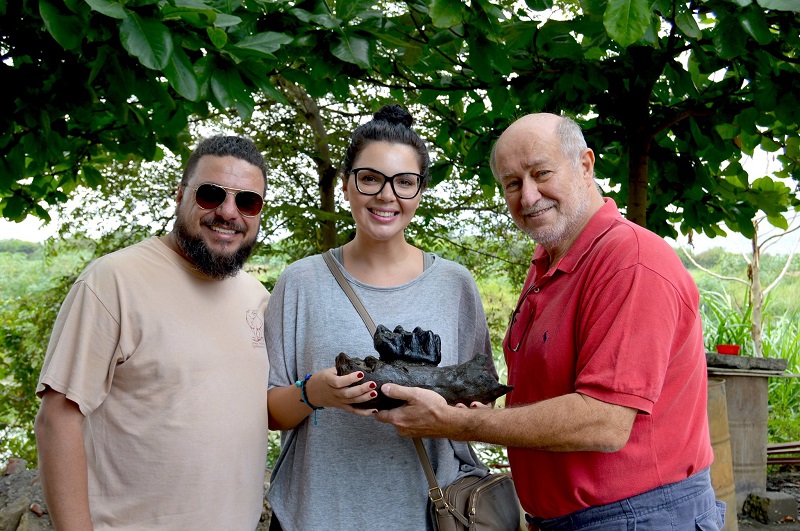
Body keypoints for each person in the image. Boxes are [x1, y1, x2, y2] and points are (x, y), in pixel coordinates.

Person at [375, 113, 726, 530]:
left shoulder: (630, 261)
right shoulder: (547, 261)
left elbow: (604, 421)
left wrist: (457, 423)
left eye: (541, 173)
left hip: (638, 517)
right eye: (511, 183)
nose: (527, 196)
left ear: (585, 165)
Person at [265, 104, 497, 530]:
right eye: (370, 178)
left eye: (404, 183)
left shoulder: (455, 284)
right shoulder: (300, 282)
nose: (386, 196)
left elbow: (480, 402)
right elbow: (268, 411)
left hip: (426, 514)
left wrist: (460, 414)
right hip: (315, 515)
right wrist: (316, 391)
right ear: (347, 184)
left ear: (420, 191)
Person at [34, 135, 271, 530]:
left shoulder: (257, 298)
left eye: (247, 201)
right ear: (180, 195)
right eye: (211, 195)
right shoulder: (112, 281)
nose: (229, 212)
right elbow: (57, 420)